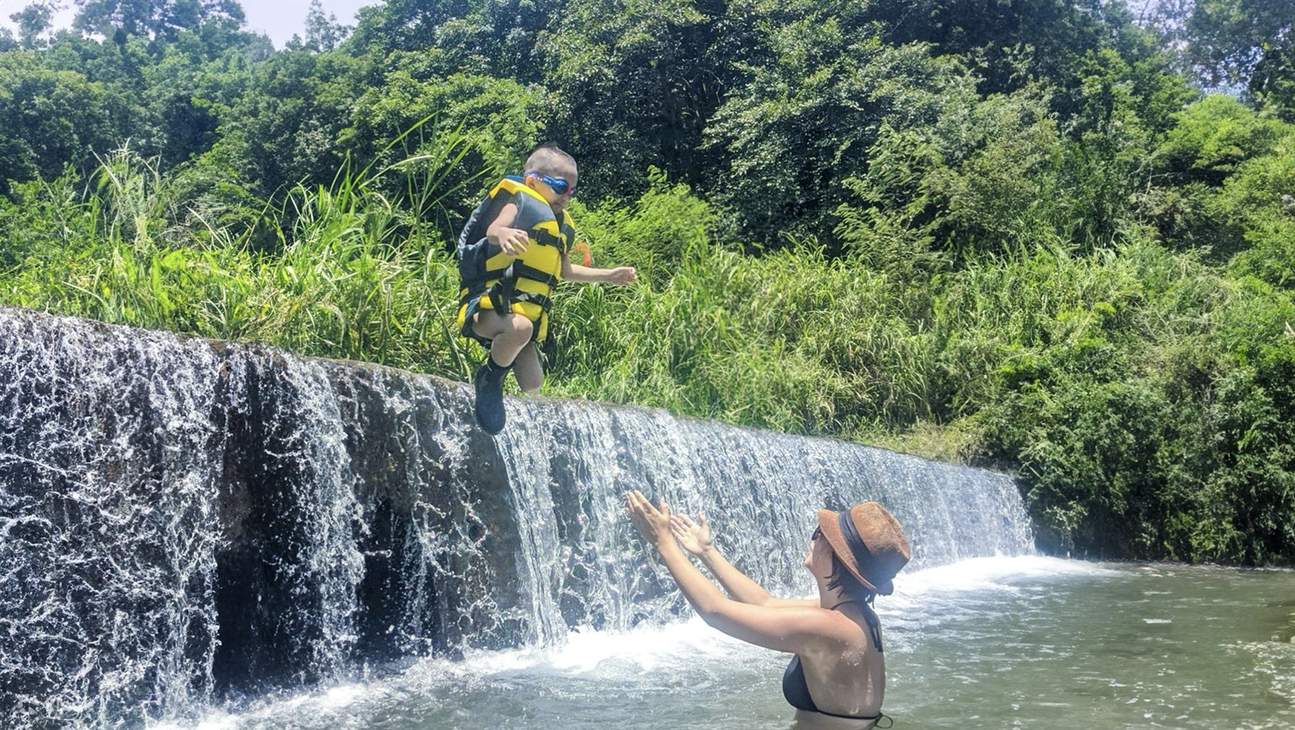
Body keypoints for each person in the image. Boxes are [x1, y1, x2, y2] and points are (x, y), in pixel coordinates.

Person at [625, 491, 910, 728]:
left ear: (837, 559)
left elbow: (715, 611)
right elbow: (765, 603)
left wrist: (663, 542)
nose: (812, 539)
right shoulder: (854, 616)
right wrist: (707, 552)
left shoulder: (829, 627)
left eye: (821, 535)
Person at [456, 143, 636, 434]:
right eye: (561, 187)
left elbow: (565, 271)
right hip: (489, 310)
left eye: (571, 191)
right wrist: (503, 234)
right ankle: (489, 379)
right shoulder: (519, 201)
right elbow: (493, 230)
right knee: (521, 329)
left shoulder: (561, 225)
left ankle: (501, 379)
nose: (567, 197)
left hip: (522, 320)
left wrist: (609, 275)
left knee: (534, 382)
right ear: (532, 181)